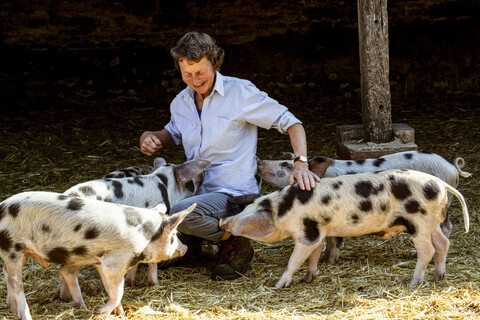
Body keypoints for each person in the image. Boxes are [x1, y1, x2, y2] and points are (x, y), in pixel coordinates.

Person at [140, 31, 320, 280]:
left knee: (182, 213)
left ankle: (237, 240)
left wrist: (301, 164)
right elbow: (173, 132)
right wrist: (153, 137)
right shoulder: (180, 102)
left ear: (215, 63)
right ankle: (191, 246)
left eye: (200, 72)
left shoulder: (240, 93)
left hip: (233, 193)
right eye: (187, 74)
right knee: (153, 205)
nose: (194, 79)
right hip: (196, 189)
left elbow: (291, 123)